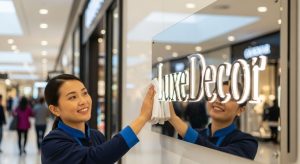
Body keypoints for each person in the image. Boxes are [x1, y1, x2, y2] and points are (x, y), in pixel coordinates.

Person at [41, 74, 155, 164]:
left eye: (84, 93)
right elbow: (96, 158)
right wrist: (143, 117)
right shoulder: (52, 143)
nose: (83, 101)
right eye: (72, 97)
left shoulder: (96, 136)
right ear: (55, 109)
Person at [168, 81, 258, 160]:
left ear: (240, 110)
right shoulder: (197, 133)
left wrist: (174, 119)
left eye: (228, 98)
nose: (218, 100)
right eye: (216, 95)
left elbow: (220, 158)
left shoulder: (247, 143)